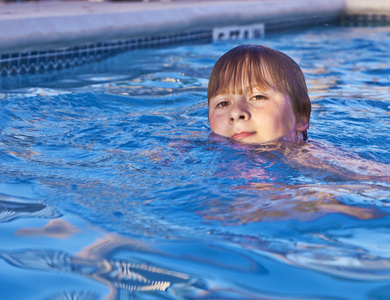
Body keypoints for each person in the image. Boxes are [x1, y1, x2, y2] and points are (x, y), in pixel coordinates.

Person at [208, 44, 311, 144]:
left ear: (300, 117)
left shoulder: (312, 159)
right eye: (223, 104)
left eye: (258, 97)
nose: (235, 113)